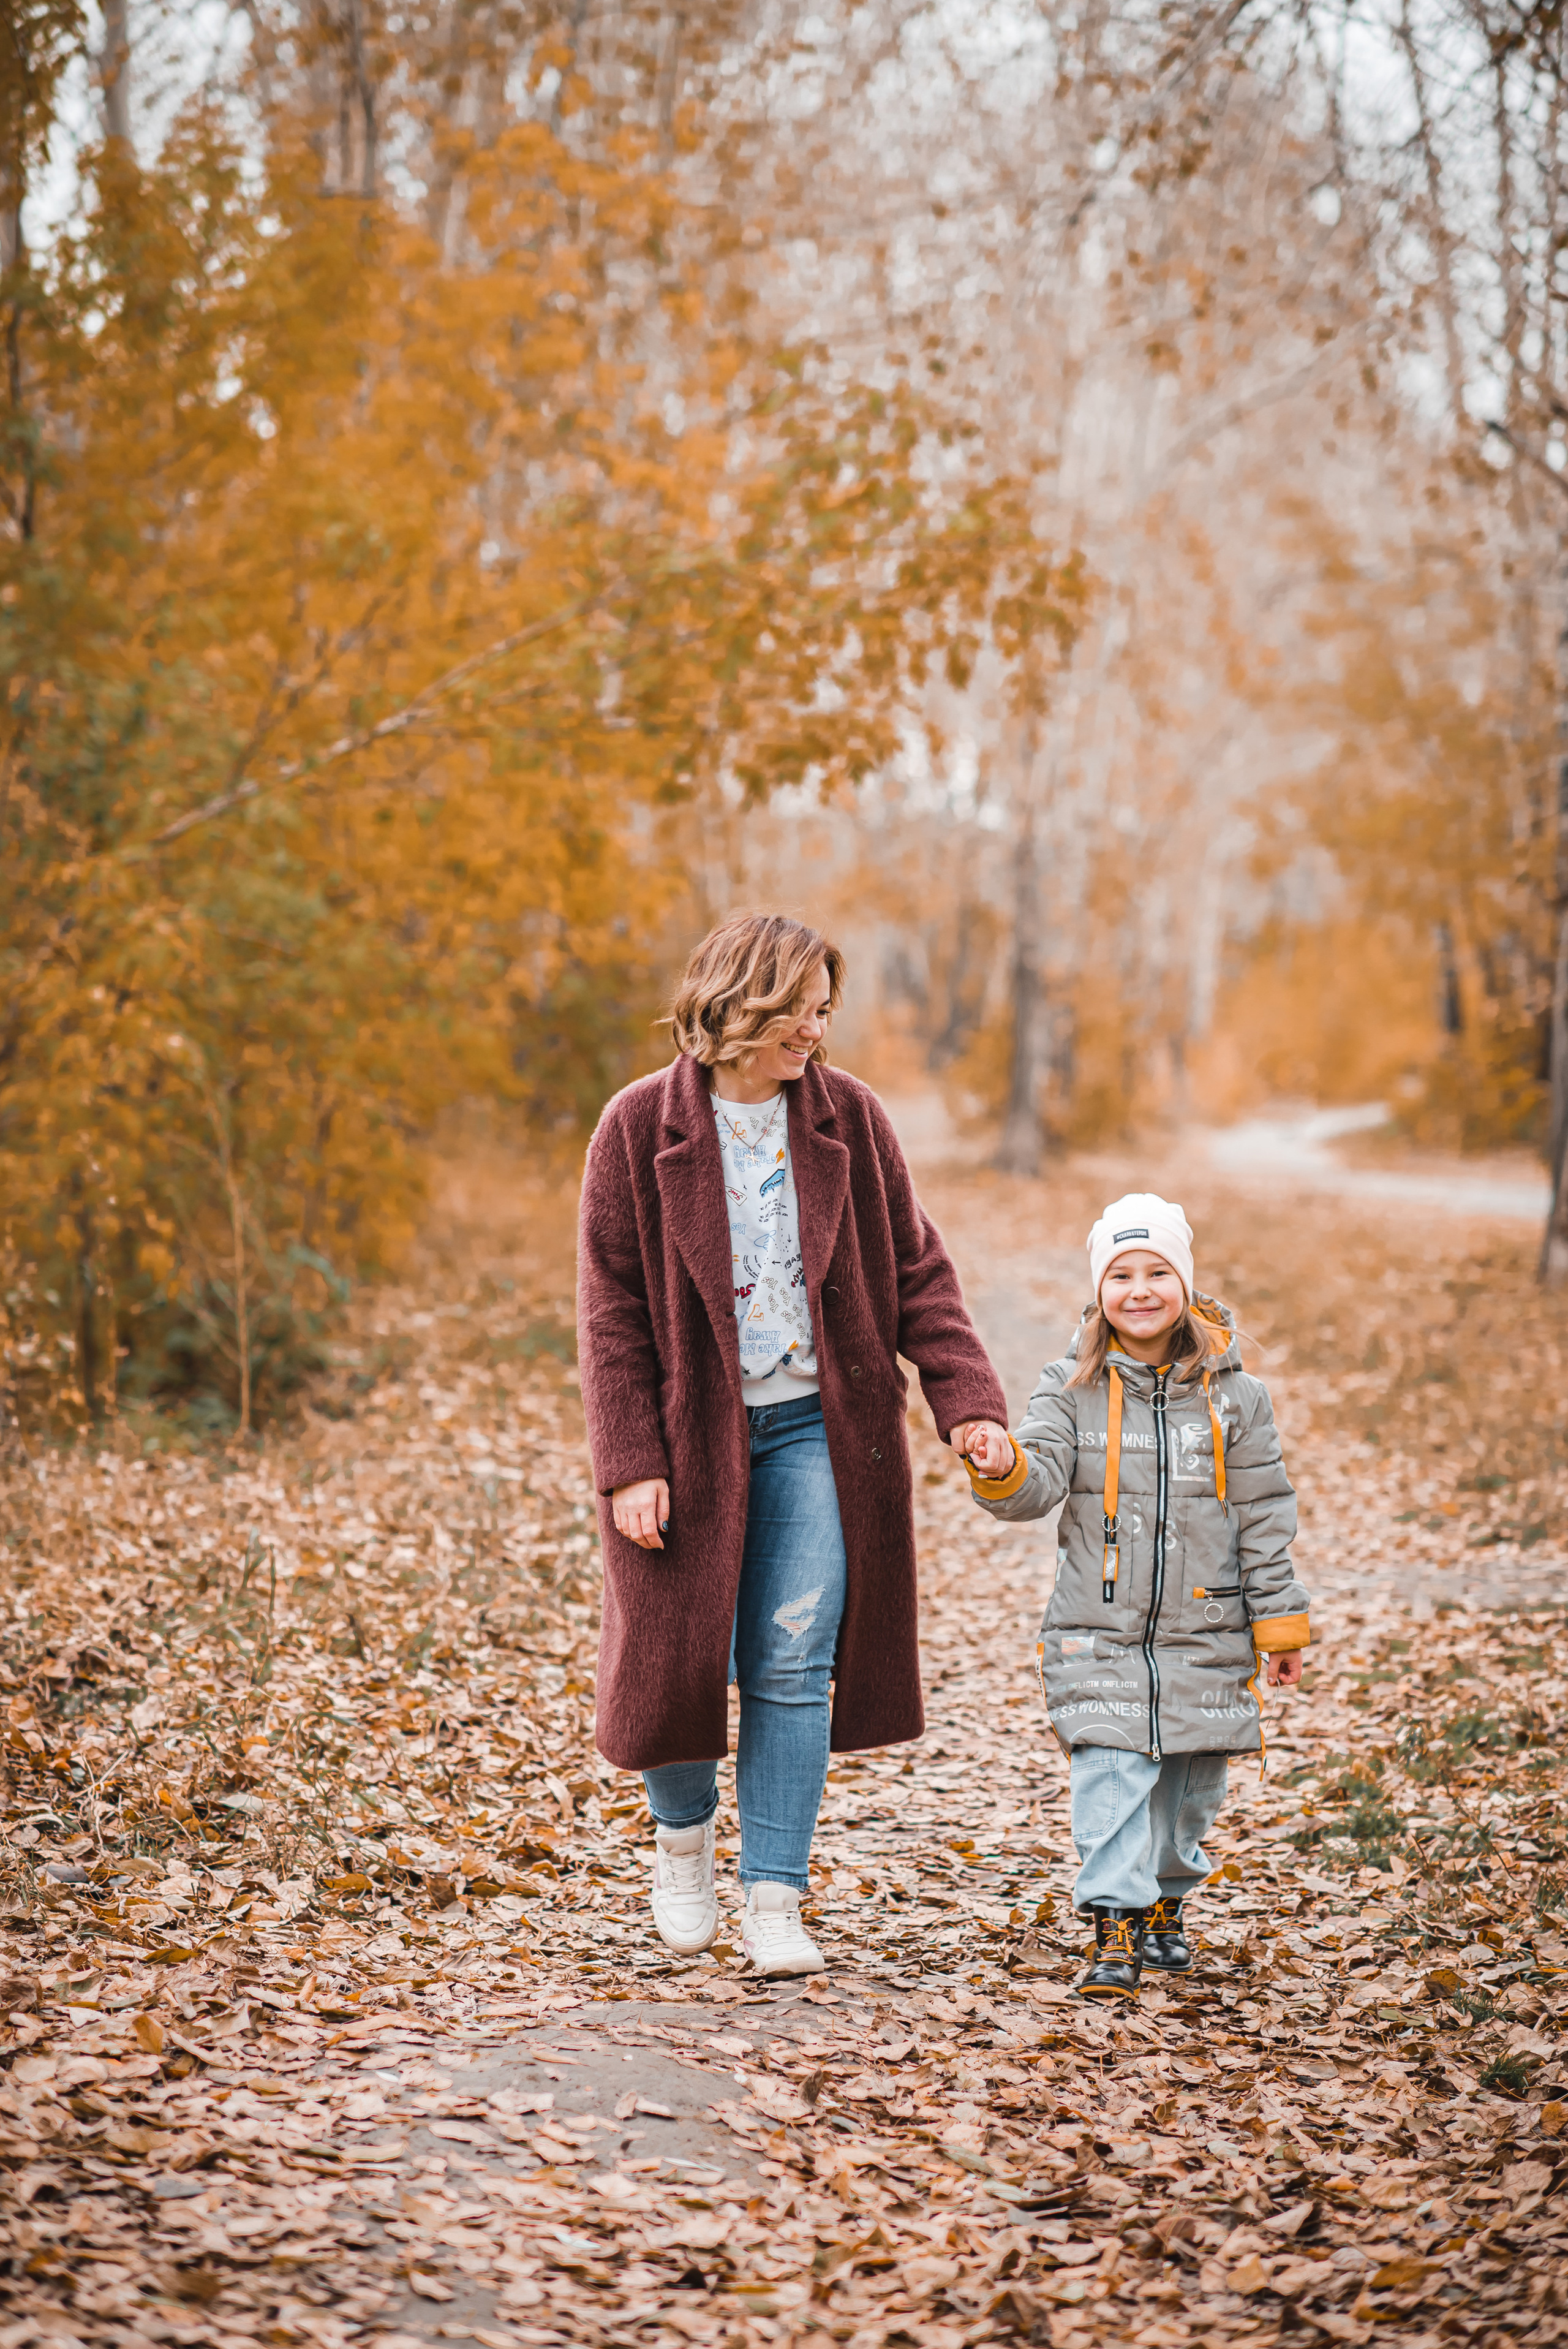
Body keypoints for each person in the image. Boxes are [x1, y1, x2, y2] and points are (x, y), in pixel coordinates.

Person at [576, 912, 1009, 1976]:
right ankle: (683, 1847)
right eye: (799, 1011)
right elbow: (611, 1310)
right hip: (688, 1438)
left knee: (789, 1656)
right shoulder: (638, 1127)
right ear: (738, 1005)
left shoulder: (850, 1120)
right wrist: (631, 1460)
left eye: (825, 1010)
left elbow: (917, 1270)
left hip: (820, 1429)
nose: (815, 1029)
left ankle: (775, 1896)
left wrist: (970, 1403)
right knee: (677, 1656)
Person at [963, 1193, 1311, 2000]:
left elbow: (1264, 1514)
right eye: (1122, 1273)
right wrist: (1000, 1461)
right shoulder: (1071, 1386)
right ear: (1100, 1289)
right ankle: (1113, 1921)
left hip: (1209, 1631)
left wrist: (1279, 1624)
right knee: (1112, 1775)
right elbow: (1035, 1482)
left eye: (1158, 1270)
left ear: (1185, 1281)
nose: (1141, 1288)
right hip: (1101, 1632)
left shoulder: (1237, 1399)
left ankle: (1165, 1899)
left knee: (1189, 1795)